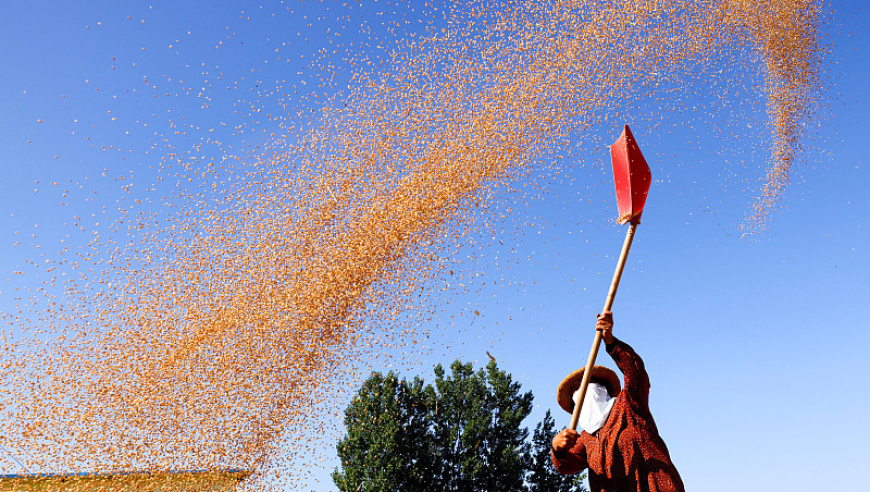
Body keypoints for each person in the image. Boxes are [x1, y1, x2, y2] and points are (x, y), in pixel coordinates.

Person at [550, 311, 685, 492]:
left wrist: (610, 341)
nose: (582, 393)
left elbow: (636, 375)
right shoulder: (585, 438)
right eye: (576, 391)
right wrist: (557, 449)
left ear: (602, 389)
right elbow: (567, 465)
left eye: (588, 386)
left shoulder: (628, 405)